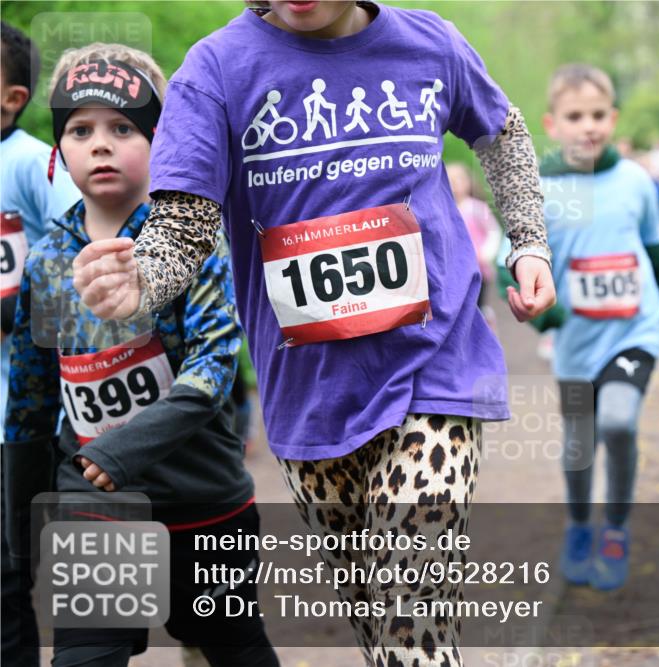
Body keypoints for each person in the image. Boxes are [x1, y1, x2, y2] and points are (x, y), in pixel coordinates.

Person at [69, 2, 556, 665]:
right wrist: (142, 282)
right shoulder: (215, 70)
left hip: (435, 366)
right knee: (376, 617)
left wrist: (528, 242)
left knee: (409, 608)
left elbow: (504, 132)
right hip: (309, 395)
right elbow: (183, 220)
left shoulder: (430, 43)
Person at [3, 44, 278, 667]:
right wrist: (22, 533)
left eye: (123, 128)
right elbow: (30, 399)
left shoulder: (191, 240)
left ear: (163, 141)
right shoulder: (49, 260)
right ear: (58, 152)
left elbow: (214, 368)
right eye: (80, 129)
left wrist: (122, 449)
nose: (100, 144)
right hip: (95, 511)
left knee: (233, 648)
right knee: (86, 657)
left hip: (204, 506)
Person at [500, 63, 659, 591]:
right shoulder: (538, 186)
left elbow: (656, 247)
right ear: (552, 123)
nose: (588, 126)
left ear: (612, 118)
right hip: (574, 343)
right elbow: (512, 256)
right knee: (578, 442)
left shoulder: (634, 179)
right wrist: (536, 301)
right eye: (574, 116)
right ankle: (580, 526)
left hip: (635, 330)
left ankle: (616, 529)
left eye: (597, 115)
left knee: (616, 421)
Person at [1, 21, 81, 667]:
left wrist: (14, 309)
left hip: (31, 413)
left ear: (12, 97)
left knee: (20, 572)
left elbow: (68, 252)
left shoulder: (33, 161)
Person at [446, 161, 502, 328]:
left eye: (458, 179)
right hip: (454, 269)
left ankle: (485, 326)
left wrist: (485, 254)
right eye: (450, 180)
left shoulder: (477, 208)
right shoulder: (444, 210)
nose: (454, 184)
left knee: (478, 304)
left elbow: (494, 231)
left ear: (468, 182)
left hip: (478, 268)